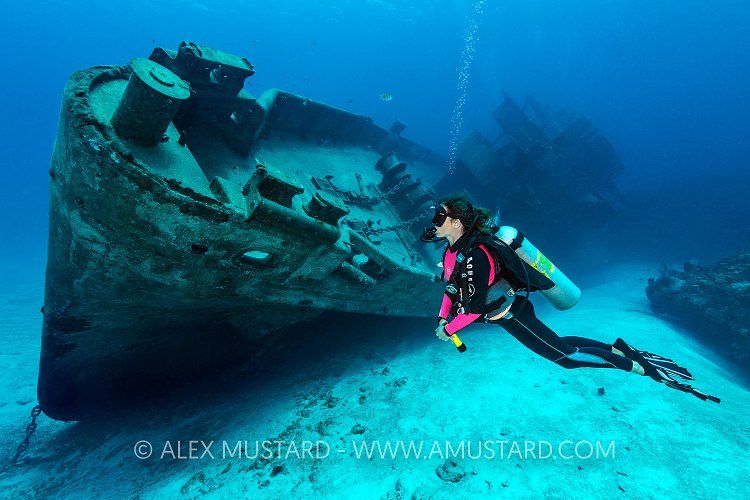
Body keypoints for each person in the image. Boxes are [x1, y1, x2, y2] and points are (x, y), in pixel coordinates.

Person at [428, 195, 720, 403]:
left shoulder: (478, 255)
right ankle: (617, 350)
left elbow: (475, 308)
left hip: (511, 313)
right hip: (506, 314)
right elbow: (452, 289)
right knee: (562, 344)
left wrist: (450, 329)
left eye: (440, 216)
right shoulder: (452, 253)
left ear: (456, 223)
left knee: (566, 358)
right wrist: (443, 316)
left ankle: (642, 368)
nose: (435, 221)